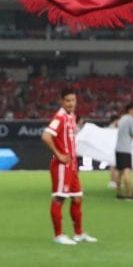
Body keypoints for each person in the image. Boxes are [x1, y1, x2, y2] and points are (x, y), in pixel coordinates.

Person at [42, 87, 97, 245]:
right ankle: (58, 235)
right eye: (67, 100)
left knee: (78, 198)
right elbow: (46, 136)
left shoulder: (71, 116)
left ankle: (78, 234)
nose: (71, 103)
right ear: (61, 101)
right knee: (59, 198)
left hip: (72, 165)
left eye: (73, 100)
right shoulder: (59, 117)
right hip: (61, 165)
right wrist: (58, 154)